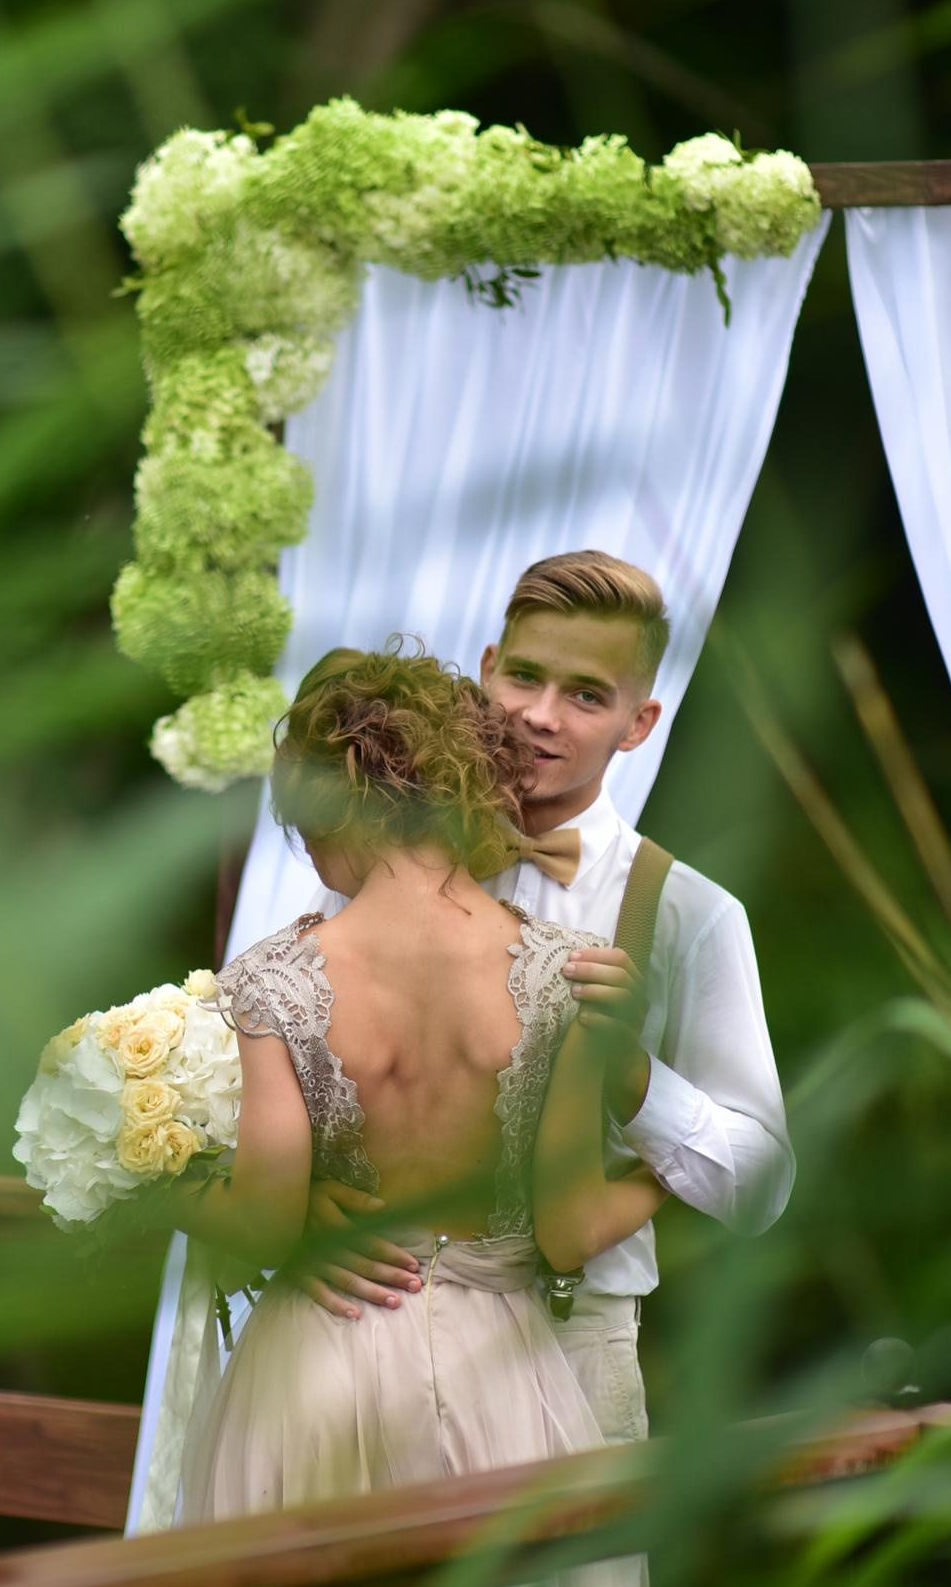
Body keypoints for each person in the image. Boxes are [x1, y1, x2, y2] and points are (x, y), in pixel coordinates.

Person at [166, 644, 661, 1577]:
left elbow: (267, 1216)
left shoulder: (273, 980)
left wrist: (172, 1190)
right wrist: (670, 1170)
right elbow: (565, 1231)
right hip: (498, 1375)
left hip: (317, 1366)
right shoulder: (568, 974)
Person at [290, 551, 793, 1452]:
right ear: (487, 668)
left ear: (638, 723)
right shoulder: (366, 859)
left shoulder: (688, 914)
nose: (538, 715)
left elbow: (760, 1183)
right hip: (376, 1341)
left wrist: (635, 1079)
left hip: (573, 1346)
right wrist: (300, 1198)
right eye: (523, 675)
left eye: (586, 695)